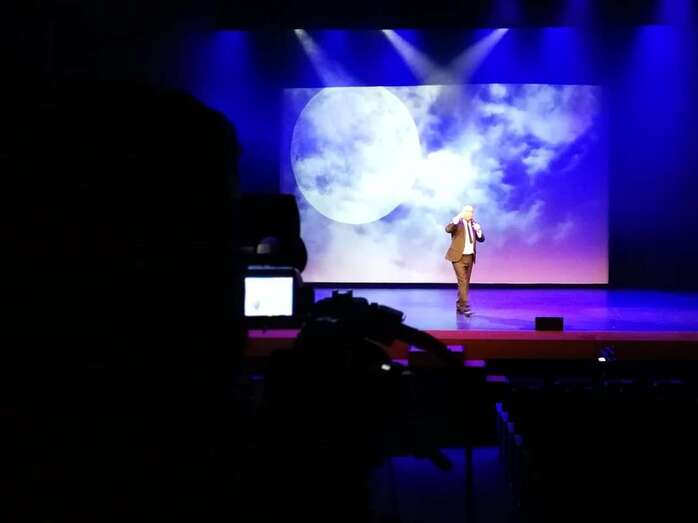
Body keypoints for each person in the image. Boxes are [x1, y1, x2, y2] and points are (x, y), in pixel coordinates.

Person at [444, 204, 485, 316]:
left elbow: (481, 239)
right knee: (462, 281)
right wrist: (456, 218)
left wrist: (479, 230)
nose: (470, 214)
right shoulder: (457, 223)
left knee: (465, 283)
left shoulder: (474, 224)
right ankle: (465, 307)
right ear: (463, 212)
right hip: (458, 257)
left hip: (470, 256)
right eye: (467, 211)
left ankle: (460, 306)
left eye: (471, 212)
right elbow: (448, 229)